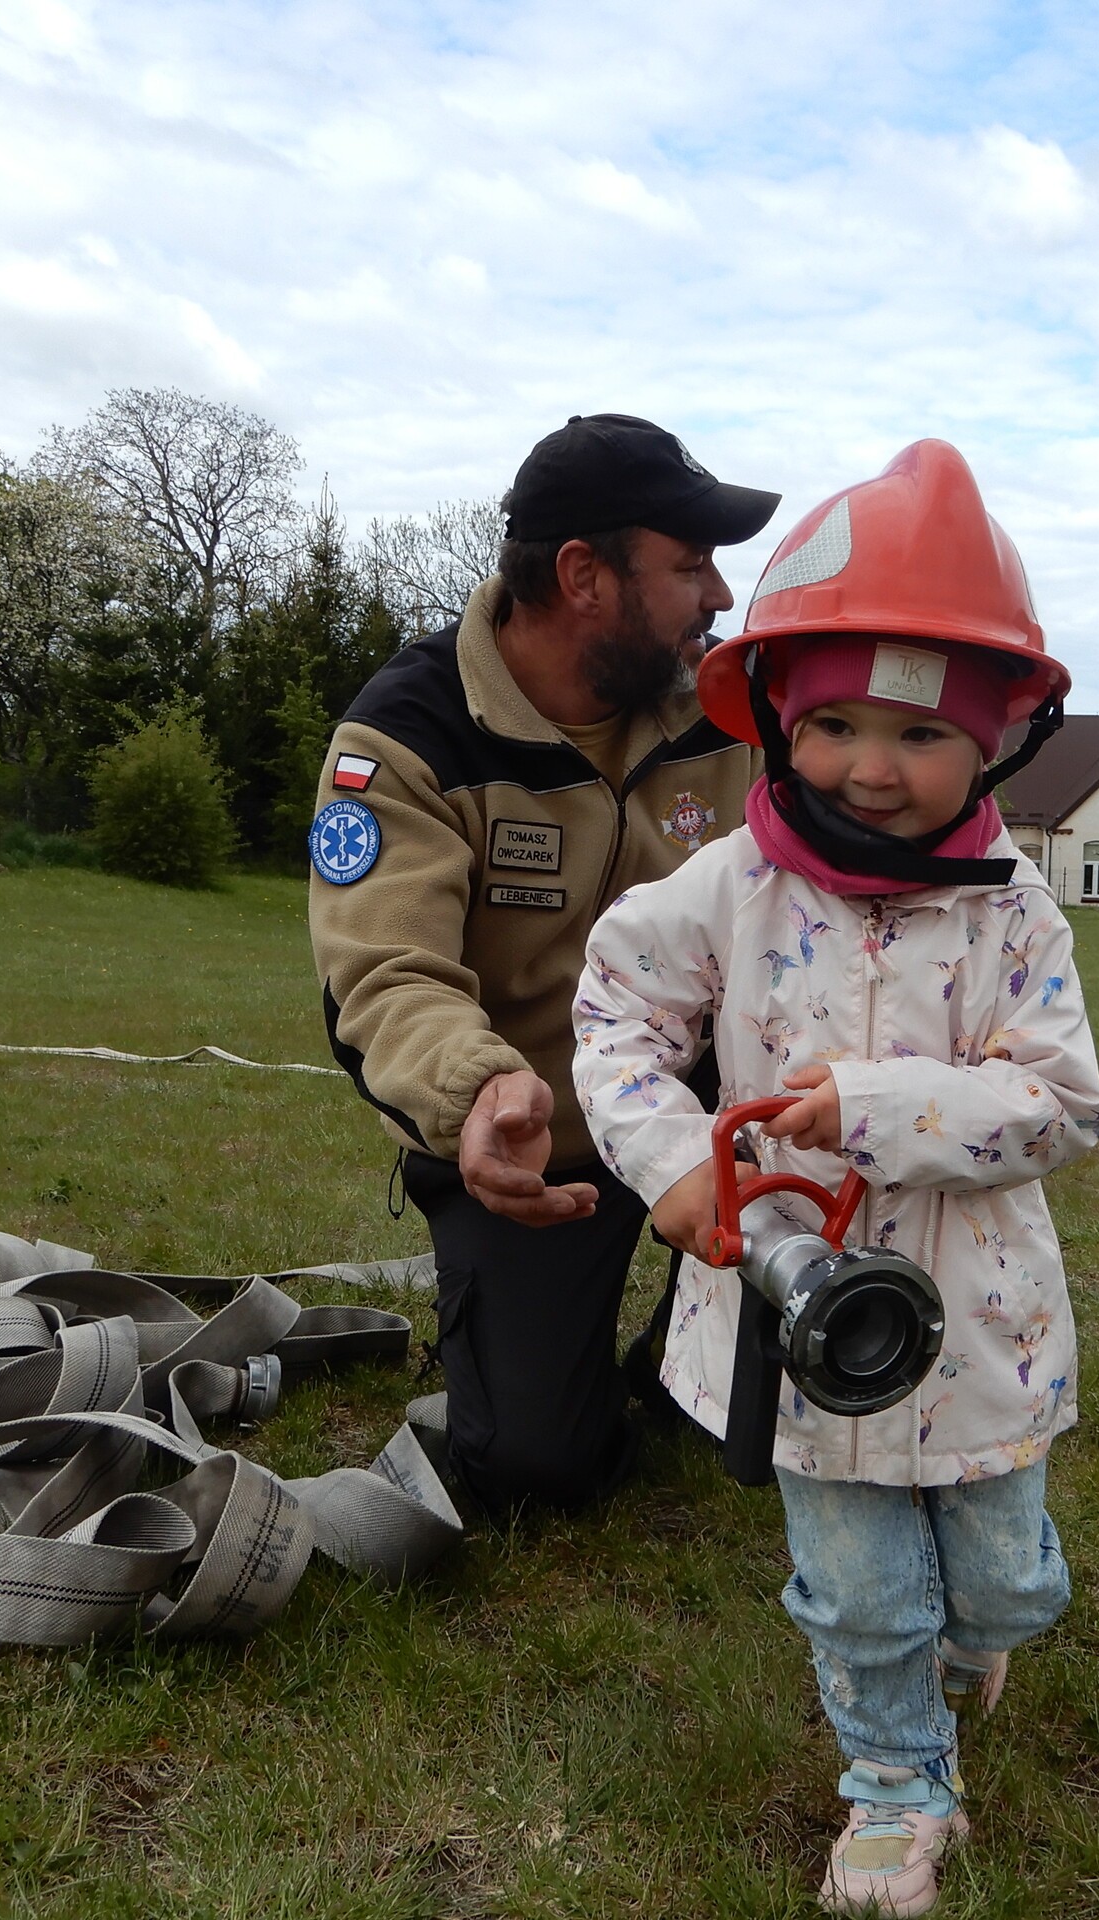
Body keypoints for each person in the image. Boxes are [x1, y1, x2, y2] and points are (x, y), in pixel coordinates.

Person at [569, 440, 1099, 1917]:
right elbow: (614, 1014)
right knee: (863, 1589)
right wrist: (672, 1165)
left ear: (992, 742)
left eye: (921, 733)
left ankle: (978, 1636)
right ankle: (896, 1784)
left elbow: (1060, 1105)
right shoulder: (728, 887)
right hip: (795, 1320)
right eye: (837, 725)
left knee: (1005, 1586)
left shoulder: (1015, 913)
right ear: (779, 720)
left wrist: (866, 1108)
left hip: (980, 1323)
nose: (873, 765)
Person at [308, 414, 777, 1512]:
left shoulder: (733, 713)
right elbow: (384, 973)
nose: (718, 595)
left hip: (711, 1113)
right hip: (534, 1142)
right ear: (582, 576)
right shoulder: (407, 736)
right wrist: (479, 1091)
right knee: (535, 1467)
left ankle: (688, 1356)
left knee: (763, 1401)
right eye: (689, 565)